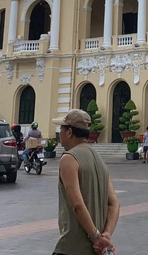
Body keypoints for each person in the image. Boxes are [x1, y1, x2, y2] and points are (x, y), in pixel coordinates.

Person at [51, 109, 120, 255]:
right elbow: (114, 203)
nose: (60, 134)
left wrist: (96, 237)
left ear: (69, 132)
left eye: (61, 129)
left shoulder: (69, 158)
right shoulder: (100, 160)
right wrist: (106, 234)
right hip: (97, 250)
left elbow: (77, 205)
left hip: (73, 247)